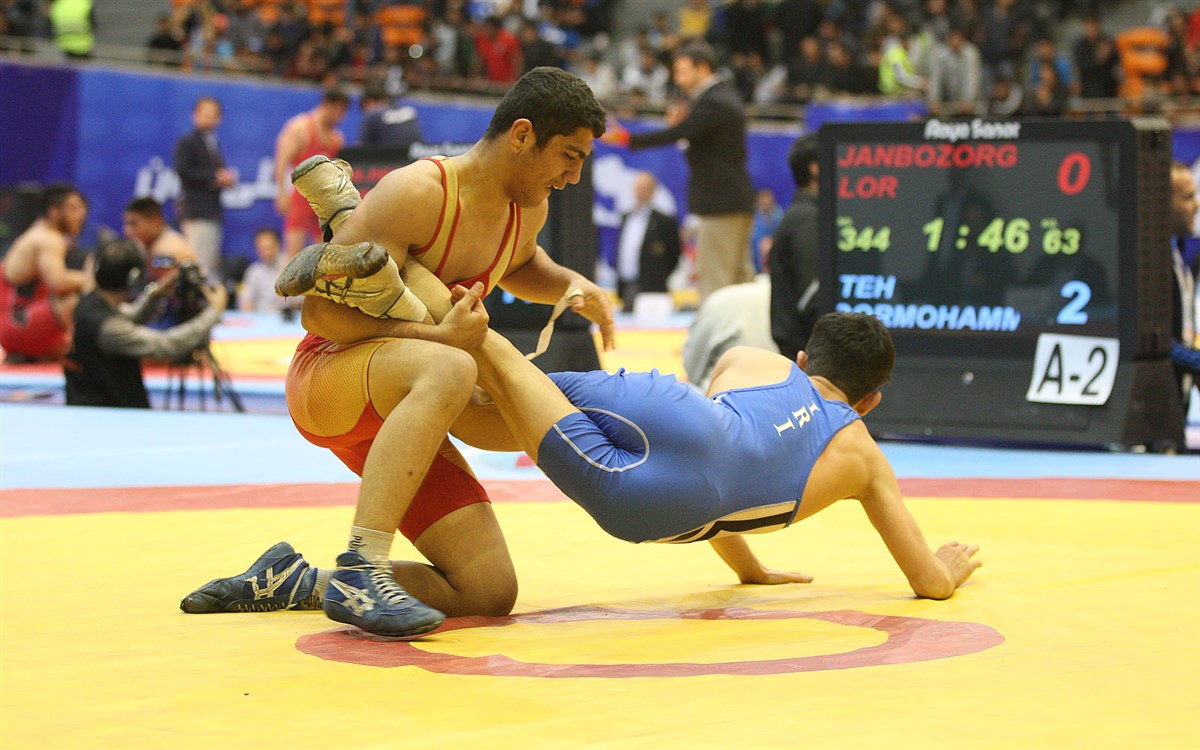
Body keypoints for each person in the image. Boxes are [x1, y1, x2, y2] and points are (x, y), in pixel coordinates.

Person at [181, 67, 614, 639]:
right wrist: (438, 340)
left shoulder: (527, 208)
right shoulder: (417, 193)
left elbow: (522, 262)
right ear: (521, 134)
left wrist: (573, 286)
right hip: (332, 378)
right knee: (456, 365)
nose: (575, 176)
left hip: (406, 411)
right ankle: (363, 567)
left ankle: (297, 581)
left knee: (486, 589)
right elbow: (319, 313)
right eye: (569, 156)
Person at [283, 250, 981, 600]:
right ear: (869, 402)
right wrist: (946, 570)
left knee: (493, 381)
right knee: (486, 374)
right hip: (660, 503)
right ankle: (389, 272)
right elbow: (926, 581)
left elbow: (723, 449)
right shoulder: (863, 456)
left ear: (803, 360)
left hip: (678, 413)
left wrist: (749, 568)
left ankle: (394, 272)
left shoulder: (757, 360)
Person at [606, 42, 756, 302]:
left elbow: (677, 133)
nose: (678, 79)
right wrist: (684, 131)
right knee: (739, 278)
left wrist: (627, 139)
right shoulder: (721, 98)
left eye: (683, 71)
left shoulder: (715, 101)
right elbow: (694, 140)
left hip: (721, 203)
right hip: (731, 199)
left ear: (703, 68)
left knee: (716, 280)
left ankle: (716, 330)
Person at [62, 238, 227, 408]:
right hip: (110, 414)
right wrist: (214, 311)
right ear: (134, 279)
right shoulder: (108, 327)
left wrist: (157, 292)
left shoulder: (90, 303)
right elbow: (165, 345)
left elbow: (128, 316)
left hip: (96, 409)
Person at [0, 184, 89, 362]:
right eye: (73, 208)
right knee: (77, 299)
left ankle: (36, 354)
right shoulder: (48, 238)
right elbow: (58, 281)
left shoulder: (39, 233)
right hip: (12, 324)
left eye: (82, 208)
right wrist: (93, 279)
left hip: (16, 320)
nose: (81, 215)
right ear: (54, 212)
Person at [274, 87, 350, 260]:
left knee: (323, 256)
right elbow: (281, 162)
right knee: (293, 256)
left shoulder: (337, 137)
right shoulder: (300, 128)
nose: (341, 117)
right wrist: (281, 193)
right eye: (339, 111)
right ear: (328, 105)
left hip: (324, 201)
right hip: (301, 197)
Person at [769, 133, 821, 361]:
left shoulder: (807, 215)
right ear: (815, 168)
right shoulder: (807, 218)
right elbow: (813, 295)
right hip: (807, 357)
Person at [173, 97, 237, 282]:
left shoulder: (212, 142)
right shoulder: (188, 141)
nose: (209, 119)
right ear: (195, 115)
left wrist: (224, 179)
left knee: (208, 262)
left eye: (213, 115)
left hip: (212, 210)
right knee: (199, 263)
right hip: (197, 211)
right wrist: (214, 178)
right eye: (205, 114)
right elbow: (183, 170)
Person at [614, 171, 681, 312]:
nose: (641, 192)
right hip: (627, 285)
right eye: (638, 188)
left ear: (653, 191)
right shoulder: (625, 217)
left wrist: (658, 275)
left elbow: (674, 255)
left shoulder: (664, 221)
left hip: (651, 288)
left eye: (645, 188)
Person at [1169, 161, 1199, 417]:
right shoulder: (1145, 264)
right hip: (1152, 411)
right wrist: (1195, 361)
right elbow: (1148, 341)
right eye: (1187, 197)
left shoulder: (1181, 258)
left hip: (1179, 405)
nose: (1196, 205)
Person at [122, 197, 197, 267]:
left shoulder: (169, 250)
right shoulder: (154, 251)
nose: (127, 230)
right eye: (126, 224)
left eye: (133, 224)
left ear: (155, 223)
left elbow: (180, 260)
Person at [357, 81, 425, 152]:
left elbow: (360, 150)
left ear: (368, 102)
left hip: (391, 157)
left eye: (364, 109)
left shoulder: (372, 116)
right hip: (420, 155)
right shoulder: (408, 110)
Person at [238, 227, 288, 313]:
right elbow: (245, 300)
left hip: (288, 315)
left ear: (278, 245)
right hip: (261, 316)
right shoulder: (253, 271)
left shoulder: (291, 265)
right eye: (263, 249)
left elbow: (301, 299)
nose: (267, 253)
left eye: (269, 248)